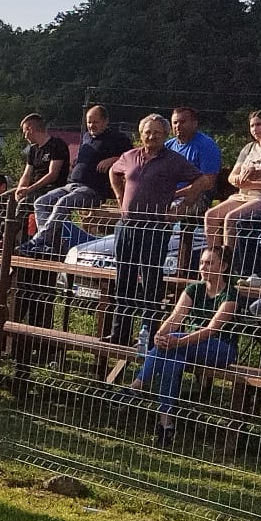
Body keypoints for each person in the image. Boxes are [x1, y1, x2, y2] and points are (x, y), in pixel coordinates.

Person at [105, 115, 213, 350]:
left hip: (154, 227)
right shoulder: (130, 156)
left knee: (151, 282)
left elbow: (202, 180)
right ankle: (119, 333)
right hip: (127, 225)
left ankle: (148, 335)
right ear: (140, 134)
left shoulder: (173, 160)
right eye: (147, 132)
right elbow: (113, 171)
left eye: (157, 132)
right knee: (123, 279)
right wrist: (119, 195)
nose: (151, 136)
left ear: (165, 135)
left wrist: (183, 206)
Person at [130, 246, 242, 446]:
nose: (203, 268)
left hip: (220, 349)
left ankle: (137, 385)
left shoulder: (230, 296)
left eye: (210, 263)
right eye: (202, 263)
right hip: (188, 345)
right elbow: (175, 317)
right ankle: (166, 425)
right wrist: (160, 335)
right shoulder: (194, 289)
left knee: (173, 344)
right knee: (171, 361)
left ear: (223, 267)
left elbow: (211, 330)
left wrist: (177, 341)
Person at [27, 104, 130, 251]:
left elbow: (131, 157)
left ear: (105, 121)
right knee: (41, 202)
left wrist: (113, 159)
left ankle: (39, 240)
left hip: (92, 190)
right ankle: (48, 243)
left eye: (95, 121)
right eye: (89, 122)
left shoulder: (117, 138)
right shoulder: (87, 137)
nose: (91, 125)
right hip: (72, 185)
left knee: (63, 204)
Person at [203, 111, 261, 256]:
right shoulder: (249, 148)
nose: (255, 129)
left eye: (259, 124)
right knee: (211, 215)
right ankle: (214, 258)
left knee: (231, 217)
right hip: (244, 195)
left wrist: (251, 184)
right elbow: (232, 176)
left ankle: (230, 259)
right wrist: (237, 180)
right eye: (252, 126)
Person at [12, 113, 69, 212]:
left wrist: (29, 189)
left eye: (25, 132)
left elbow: (52, 175)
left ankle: (21, 223)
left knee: (24, 204)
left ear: (31, 129)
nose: (25, 137)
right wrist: (19, 189)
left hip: (52, 188)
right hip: (33, 188)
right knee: (1, 201)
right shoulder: (33, 149)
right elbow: (26, 174)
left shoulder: (57, 145)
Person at [166, 106, 222, 183]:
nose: (178, 126)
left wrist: (180, 191)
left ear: (194, 123)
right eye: (175, 122)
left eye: (182, 122)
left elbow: (208, 181)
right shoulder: (167, 146)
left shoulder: (207, 146)